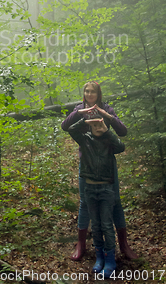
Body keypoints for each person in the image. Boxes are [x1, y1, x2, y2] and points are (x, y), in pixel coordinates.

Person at [61, 81, 138, 260]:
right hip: (86, 163)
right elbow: (66, 127)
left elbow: (123, 132)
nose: (89, 94)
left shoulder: (107, 109)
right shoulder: (79, 108)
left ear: (99, 94)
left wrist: (105, 115)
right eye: (86, 91)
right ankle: (81, 245)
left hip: (107, 163)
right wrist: (80, 113)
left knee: (116, 201)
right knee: (85, 203)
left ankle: (124, 245)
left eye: (92, 92)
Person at [68, 115, 125, 277]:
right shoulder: (84, 140)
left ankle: (110, 259)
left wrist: (107, 131)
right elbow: (71, 129)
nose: (97, 128)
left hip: (106, 189)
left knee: (107, 225)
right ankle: (99, 257)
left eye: (99, 125)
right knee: (97, 226)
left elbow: (121, 146)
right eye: (94, 126)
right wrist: (86, 119)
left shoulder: (109, 141)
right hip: (90, 189)